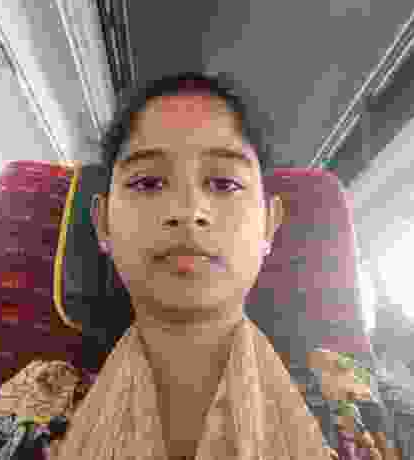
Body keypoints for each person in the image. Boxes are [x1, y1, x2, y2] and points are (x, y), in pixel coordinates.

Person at [49, 71, 338, 460]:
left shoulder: (364, 414)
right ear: (103, 225)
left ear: (269, 225)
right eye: (148, 183)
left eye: (224, 184)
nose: (188, 212)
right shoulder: (27, 411)